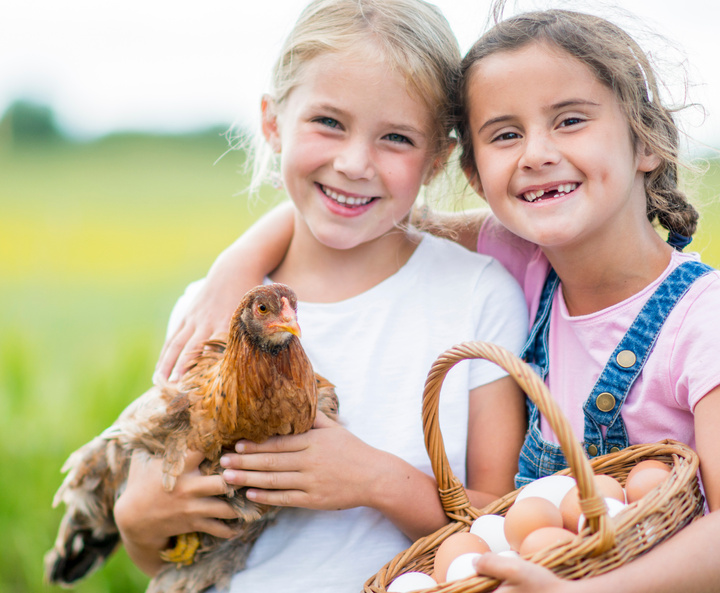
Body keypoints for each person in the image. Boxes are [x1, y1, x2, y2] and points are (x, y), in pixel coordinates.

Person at [155, 6, 720, 593]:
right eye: (504, 134)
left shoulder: (713, 319)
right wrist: (233, 268)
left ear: (647, 140)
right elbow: (370, 215)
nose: (539, 154)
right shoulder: (523, 259)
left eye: (570, 120)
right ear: (474, 175)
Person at [112, 1, 530, 591]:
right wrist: (137, 524)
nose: (354, 163)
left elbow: (506, 529)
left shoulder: (477, 298)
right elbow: (178, 561)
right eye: (328, 122)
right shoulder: (212, 308)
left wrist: (379, 482)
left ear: (436, 158)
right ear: (272, 121)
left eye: (396, 137)